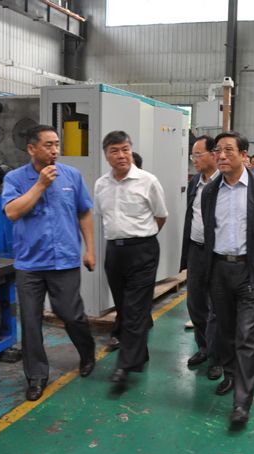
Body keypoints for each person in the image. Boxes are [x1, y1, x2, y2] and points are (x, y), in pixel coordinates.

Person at [2, 125, 96, 402]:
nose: (55, 150)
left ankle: (87, 353)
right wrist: (40, 185)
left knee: (71, 315)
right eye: (48, 145)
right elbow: (12, 212)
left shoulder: (72, 176)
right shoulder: (15, 178)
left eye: (57, 144)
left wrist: (90, 249)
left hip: (64, 260)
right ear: (32, 148)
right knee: (30, 322)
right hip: (29, 264)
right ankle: (36, 376)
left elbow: (84, 213)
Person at [201, 131, 254, 425]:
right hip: (219, 270)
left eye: (228, 150)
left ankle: (241, 402)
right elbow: (209, 229)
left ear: (244, 155)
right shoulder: (210, 191)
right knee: (225, 331)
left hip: (250, 270)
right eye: (217, 150)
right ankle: (231, 375)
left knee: (247, 336)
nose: (221, 155)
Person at [94, 130, 168, 386]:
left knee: (136, 308)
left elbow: (161, 216)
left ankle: (125, 366)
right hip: (114, 251)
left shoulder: (148, 181)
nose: (121, 155)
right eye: (114, 151)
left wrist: (142, 238)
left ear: (131, 150)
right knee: (124, 307)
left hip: (142, 250)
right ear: (106, 155)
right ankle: (140, 353)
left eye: (125, 149)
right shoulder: (101, 184)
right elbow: (102, 216)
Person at [180, 135, 222, 380]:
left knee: (217, 307)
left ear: (213, 154)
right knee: (195, 303)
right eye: (192, 155)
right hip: (196, 250)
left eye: (198, 155)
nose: (194, 160)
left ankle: (217, 357)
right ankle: (204, 348)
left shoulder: (224, 182)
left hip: (216, 252)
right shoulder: (196, 181)